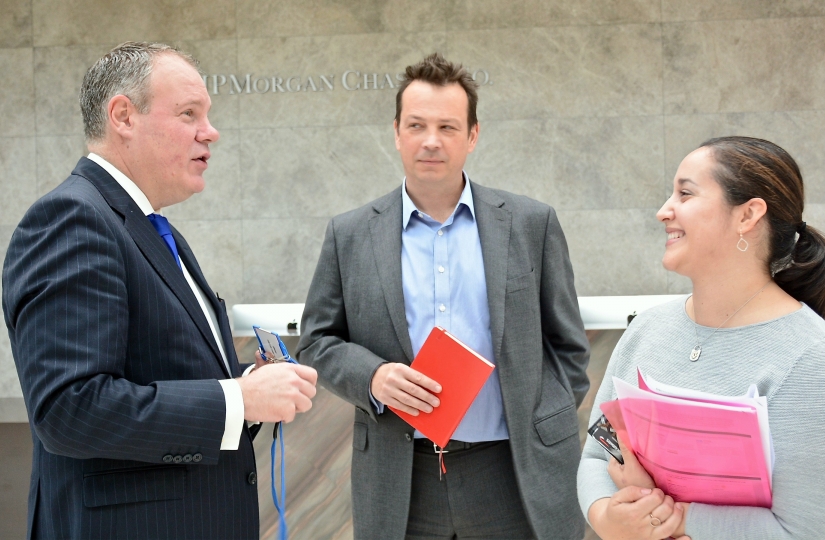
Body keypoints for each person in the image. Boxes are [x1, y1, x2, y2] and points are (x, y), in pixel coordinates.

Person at [2, 42, 318, 539]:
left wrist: (248, 383)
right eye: (189, 113)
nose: (210, 132)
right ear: (123, 116)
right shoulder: (72, 220)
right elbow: (68, 407)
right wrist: (237, 400)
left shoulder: (149, 228)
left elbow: (161, 371)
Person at [297, 53, 590, 540]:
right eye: (417, 125)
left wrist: (542, 416)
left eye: (448, 127)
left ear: (472, 136)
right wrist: (372, 376)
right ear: (396, 132)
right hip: (401, 477)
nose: (431, 141)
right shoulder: (349, 234)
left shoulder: (530, 224)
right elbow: (316, 341)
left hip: (513, 470)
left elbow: (569, 346)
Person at [577, 136, 825, 539]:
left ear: (748, 215)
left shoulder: (813, 359)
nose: (664, 211)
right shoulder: (646, 330)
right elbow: (596, 456)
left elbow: (805, 530)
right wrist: (609, 518)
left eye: (685, 193)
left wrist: (666, 515)